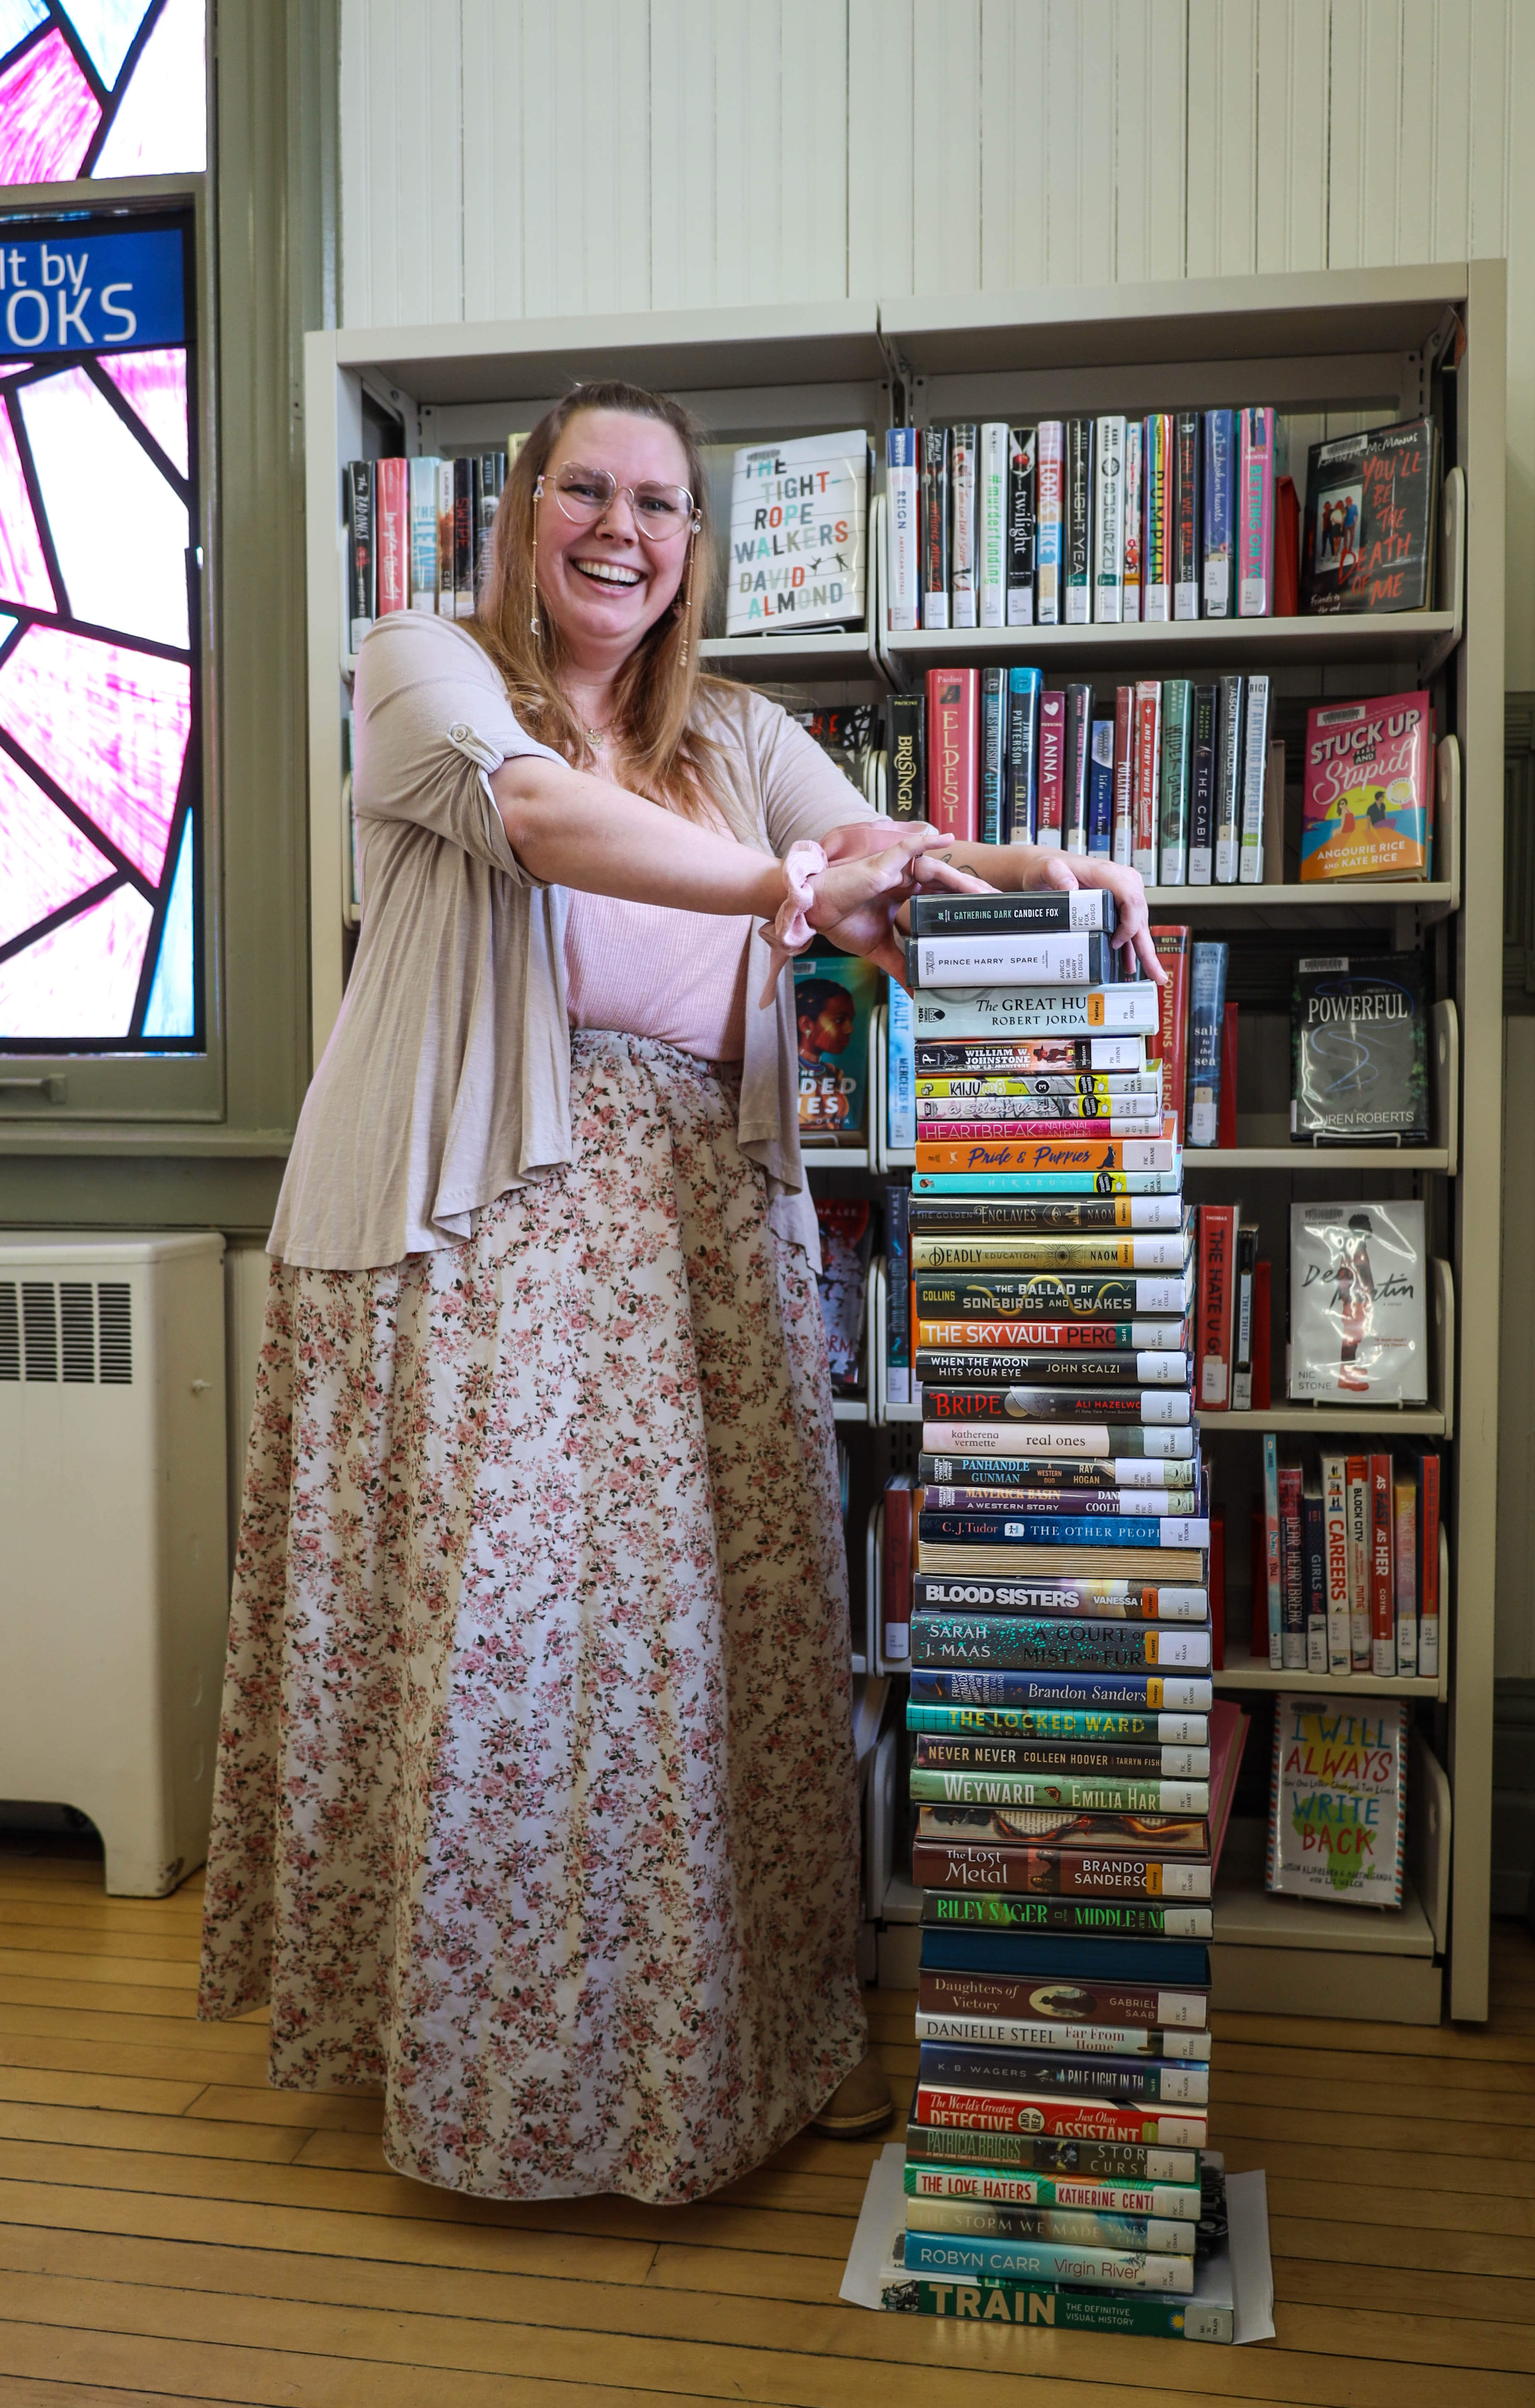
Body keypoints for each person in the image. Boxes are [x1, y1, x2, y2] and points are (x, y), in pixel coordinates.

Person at [197, 378, 1161, 2208]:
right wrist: (783, 890)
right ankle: (499, 2082)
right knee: (520, 1659)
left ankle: (722, 2055)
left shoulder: (732, 727)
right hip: (474, 1221)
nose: (621, 526)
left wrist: (1052, 871)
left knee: (712, 1651)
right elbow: (549, 827)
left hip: (699, 1223)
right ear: (522, 507)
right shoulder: (421, 666)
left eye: (659, 500)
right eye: (587, 488)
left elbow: (886, 854)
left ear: (694, 543)